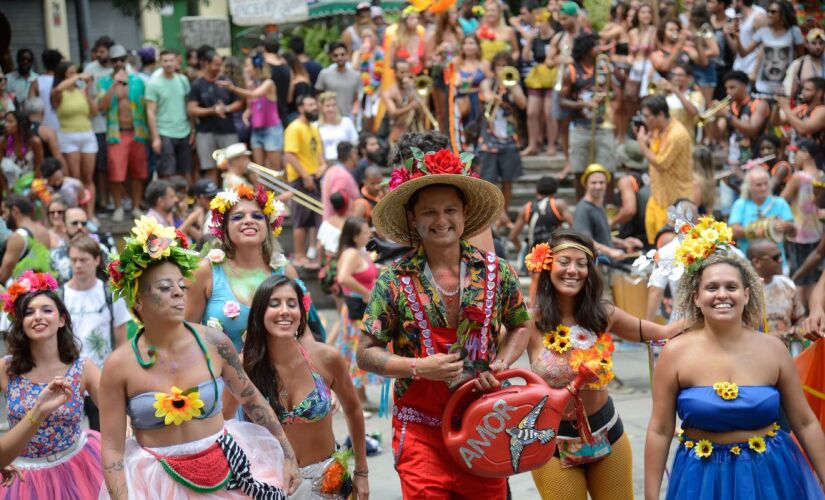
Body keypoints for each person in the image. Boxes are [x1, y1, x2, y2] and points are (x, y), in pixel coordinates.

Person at [358, 135, 530, 498]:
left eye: (450, 210)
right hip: (421, 435)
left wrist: (500, 363)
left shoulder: (497, 272)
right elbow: (365, 352)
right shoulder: (392, 281)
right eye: (429, 212)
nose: (441, 220)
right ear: (412, 218)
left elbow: (521, 325)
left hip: (482, 427)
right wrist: (420, 368)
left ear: (464, 214)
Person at [99, 218, 300, 497]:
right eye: (164, 287)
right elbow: (111, 448)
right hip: (154, 482)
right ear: (138, 301)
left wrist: (288, 454)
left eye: (180, 285)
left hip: (225, 467)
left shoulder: (213, 342)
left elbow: (252, 400)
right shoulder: (118, 366)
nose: (178, 292)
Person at [644, 222, 825, 499]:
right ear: (696, 297)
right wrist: (650, 495)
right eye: (712, 287)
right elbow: (659, 429)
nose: (722, 295)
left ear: (747, 294)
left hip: (770, 476)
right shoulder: (675, 352)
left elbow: (804, 422)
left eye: (731, 287)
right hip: (700, 478)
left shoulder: (773, 349)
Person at [524, 230, 683, 499]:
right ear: (548, 265)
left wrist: (706, 309)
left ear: (590, 270)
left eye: (581, 263)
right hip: (550, 442)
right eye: (564, 262)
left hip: (608, 433)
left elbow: (658, 332)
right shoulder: (529, 322)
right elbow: (492, 353)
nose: (572, 270)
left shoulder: (603, 314)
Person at [238, 275, 369, 498]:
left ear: (302, 312)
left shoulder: (326, 358)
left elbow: (354, 409)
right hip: (268, 486)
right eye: (274, 303)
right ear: (260, 313)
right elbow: (222, 423)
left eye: (292, 304)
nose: (284, 311)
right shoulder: (244, 366)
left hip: (328, 483)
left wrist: (361, 471)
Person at [0, 271, 104, 498]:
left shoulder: (82, 367)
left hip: (78, 468)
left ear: (61, 319)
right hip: (24, 477)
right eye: (29, 312)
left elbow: (116, 411)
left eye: (47, 310)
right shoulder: (5, 369)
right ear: (21, 322)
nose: (38, 316)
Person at [61, 234, 130, 432]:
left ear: (97, 260)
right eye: (73, 260)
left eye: (83, 259)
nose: (78, 265)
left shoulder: (110, 294)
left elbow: (121, 340)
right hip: (67, 381)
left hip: (102, 379)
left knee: (104, 437)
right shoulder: (60, 295)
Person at [560, 34, 617, 198]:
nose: (600, 49)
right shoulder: (571, 71)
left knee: (608, 168)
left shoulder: (604, 68)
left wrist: (606, 95)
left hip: (603, 125)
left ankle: (609, 207)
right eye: (596, 46)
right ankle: (582, 205)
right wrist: (584, 104)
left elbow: (615, 93)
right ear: (586, 50)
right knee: (579, 169)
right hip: (580, 127)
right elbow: (561, 101)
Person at [97, 45, 149, 223]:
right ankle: (118, 206)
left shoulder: (138, 81)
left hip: (137, 132)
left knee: (138, 172)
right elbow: (100, 107)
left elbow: (148, 107)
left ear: (126, 60)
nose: (119, 63)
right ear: (110, 63)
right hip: (116, 133)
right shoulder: (104, 82)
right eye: (114, 60)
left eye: (121, 59)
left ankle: (135, 206)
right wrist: (114, 84)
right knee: (116, 172)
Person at [335, 217, 382, 410]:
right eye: (365, 232)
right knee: (356, 352)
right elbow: (343, 278)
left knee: (358, 351)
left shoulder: (359, 252)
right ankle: (356, 400)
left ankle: (360, 397)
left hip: (360, 311)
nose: (370, 233)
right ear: (355, 236)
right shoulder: (352, 253)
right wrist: (366, 293)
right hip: (356, 312)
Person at [636, 94, 694, 244]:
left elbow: (661, 164)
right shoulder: (657, 129)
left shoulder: (677, 135)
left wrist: (642, 146)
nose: (644, 120)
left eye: (647, 116)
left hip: (674, 200)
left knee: (673, 249)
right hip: (658, 195)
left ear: (660, 114)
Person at [478, 51, 527, 219]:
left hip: (509, 138)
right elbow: (487, 96)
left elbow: (523, 103)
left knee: (508, 179)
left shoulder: (513, 84)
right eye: (498, 66)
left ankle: (503, 213)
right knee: (489, 180)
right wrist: (497, 91)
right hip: (489, 139)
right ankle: (497, 216)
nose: (501, 69)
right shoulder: (487, 82)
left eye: (504, 66)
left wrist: (511, 87)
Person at [217, 52, 283, 171]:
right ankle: (261, 190)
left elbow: (254, 94)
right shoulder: (250, 84)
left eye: (247, 66)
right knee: (259, 168)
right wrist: (246, 115)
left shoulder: (269, 83)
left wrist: (233, 88)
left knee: (274, 168)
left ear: (256, 67)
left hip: (271, 130)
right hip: (256, 129)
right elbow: (250, 106)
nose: (245, 69)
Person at [50, 61, 98, 221]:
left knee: (88, 178)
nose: (74, 77)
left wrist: (89, 90)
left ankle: (90, 215)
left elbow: (94, 112)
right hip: (68, 137)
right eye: (69, 74)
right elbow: (58, 88)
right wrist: (78, 76)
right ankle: (76, 214)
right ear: (63, 75)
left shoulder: (81, 91)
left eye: (74, 72)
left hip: (87, 135)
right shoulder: (58, 93)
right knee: (75, 179)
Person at [284, 94, 326, 269]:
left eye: (315, 104)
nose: (314, 107)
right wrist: (305, 175)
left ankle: (312, 254)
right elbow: (289, 154)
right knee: (300, 219)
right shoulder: (294, 128)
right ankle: (299, 255)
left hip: (315, 177)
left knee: (316, 218)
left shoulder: (314, 128)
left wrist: (323, 166)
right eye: (310, 104)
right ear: (300, 108)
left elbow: (319, 153)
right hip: (301, 179)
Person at [187, 49, 241, 182]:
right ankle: (213, 198)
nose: (219, 68)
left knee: (232, 166)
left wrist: (226, 109)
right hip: (206, 132)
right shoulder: (197, 85)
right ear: (205, 64)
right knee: (210, 167)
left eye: (220, 65)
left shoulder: (227, 82)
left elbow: (239, 102)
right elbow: (192, 109)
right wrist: (212, 111)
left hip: (227, 130)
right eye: (215, 65)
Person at [731, 0, 803, 95]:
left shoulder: (794, 31)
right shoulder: (763, 32)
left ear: (783, 14)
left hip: (785, 86)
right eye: (768, 11)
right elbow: (743, 53)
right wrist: (737, 38)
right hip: (763, 87)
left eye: (773, 11)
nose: (768, 14)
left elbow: (801, 58)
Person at [573, 165, 643, 261]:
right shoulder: (583, 209)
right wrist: (610, 251)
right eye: (593, 183)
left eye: (601, 182)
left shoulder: (599, 204)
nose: (598, 186)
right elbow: (585, 240)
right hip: (597, 265)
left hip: (608, 263)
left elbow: (602, 235)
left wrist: (623, 242)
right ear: (586, 184)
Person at [147, 48, 194, 182]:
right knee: (167, 172)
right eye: (165, 61)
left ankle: (184, 201)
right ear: (160, 62)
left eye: (171, 60)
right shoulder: (153, 84)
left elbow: (187, 105)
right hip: (164, 132)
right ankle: (169, 200)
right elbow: (150, 112)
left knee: (185, 171)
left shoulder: (183, 80)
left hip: (183, 130)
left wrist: (192, 129)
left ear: (176, 62)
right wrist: (155, 138)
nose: (168, 64)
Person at [747, 239, 806, 344]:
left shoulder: (787, 285)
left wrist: (797, 329)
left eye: (780, 255)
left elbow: (799, 317)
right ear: (757, 262)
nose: (781, 260)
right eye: (775, 257)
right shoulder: (745, 290)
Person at [729, 168, 796, 258]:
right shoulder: (740, 204)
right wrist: (754, 232)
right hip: (748, 261)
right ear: (749, 187)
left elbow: (794, 232)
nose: (763, 188)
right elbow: (733, 231)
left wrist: (787, 226)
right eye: (758, 185)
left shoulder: (780, 202)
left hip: (776, 261)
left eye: (766, 183)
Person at [723, 70, 771, 168]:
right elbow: (717, 134)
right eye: (726, 88)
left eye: (732, 87)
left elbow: (752, 130)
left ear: (744, 86)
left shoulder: (758, 104)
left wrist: (728, 116)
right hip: (733, 160)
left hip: (755, 158)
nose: (728, 92)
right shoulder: (729, 107)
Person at [0, 194, 52, 283]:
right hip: (41, 287)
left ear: (15, 210)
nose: (3, 217)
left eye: (4, 212)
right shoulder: (44, 232)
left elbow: (3, 276)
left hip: (22, 291)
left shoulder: (17, 237)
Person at [610, 140, 651, 246]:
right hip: (648, 232)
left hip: (632, 236)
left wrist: (611, 222)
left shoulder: (627, 180)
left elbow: (630, 210)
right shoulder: (649, 176)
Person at [315, 43, 362, 119]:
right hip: (329, 117)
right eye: (336, 55)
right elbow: (318, 96)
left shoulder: (356, 76)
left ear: (347, 55)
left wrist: (355, 111)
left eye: (342, 54)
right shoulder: (325, 74)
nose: (339, 58)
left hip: (348, 117)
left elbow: (356, 98)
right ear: (331, 57)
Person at [777, 77, 825, 150]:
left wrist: (786, 108)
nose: (803, 92)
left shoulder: (822, 110)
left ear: (819, 93)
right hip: (796, 157)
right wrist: (776, 105)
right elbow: (778, 122)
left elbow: (804, 129)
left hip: (814, 158)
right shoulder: (802, 108)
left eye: (807, 90)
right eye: (803, 89)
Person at [1, 110, 43, 190]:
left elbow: (39, 166)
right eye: (5, 121)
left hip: (32, 184)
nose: (6, 124)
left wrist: (34, 188)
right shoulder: (3, 142)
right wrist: (6, 190)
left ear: (20, 124)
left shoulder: (34, 142)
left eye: (10, 121)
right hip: (11, 185)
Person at [322, 142, 360, 221]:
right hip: (340, 227)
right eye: (356, 154)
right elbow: (338, 201)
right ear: (352, 154)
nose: (358, 157)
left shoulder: (335, 170)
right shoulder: (341, 175)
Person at [27, 49, 64, 132]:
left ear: (43, 63)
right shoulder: (65, 82)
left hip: (43, 126)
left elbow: (30, 106)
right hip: (64, 125)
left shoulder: (36, 83)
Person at [318, 92, 359, 163]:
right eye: (327, 106)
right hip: (324, 162)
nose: (331, 109)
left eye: (333, 105)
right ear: (322, 108)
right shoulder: (316, 126)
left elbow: (354, 143)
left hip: (344, 161)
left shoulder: (346, 122)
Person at [262, 34, 292, 130]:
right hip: (283, 115)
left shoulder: (264, 68)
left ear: (264, 48)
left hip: (267, 118)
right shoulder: (287, 68)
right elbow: (289, 97)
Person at [787, 28, 825, 99]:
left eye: (821, 43)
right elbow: (789, 93)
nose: (818, 47)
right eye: (814, 43)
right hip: (805, 106)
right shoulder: (798, 64)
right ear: (806, 44)